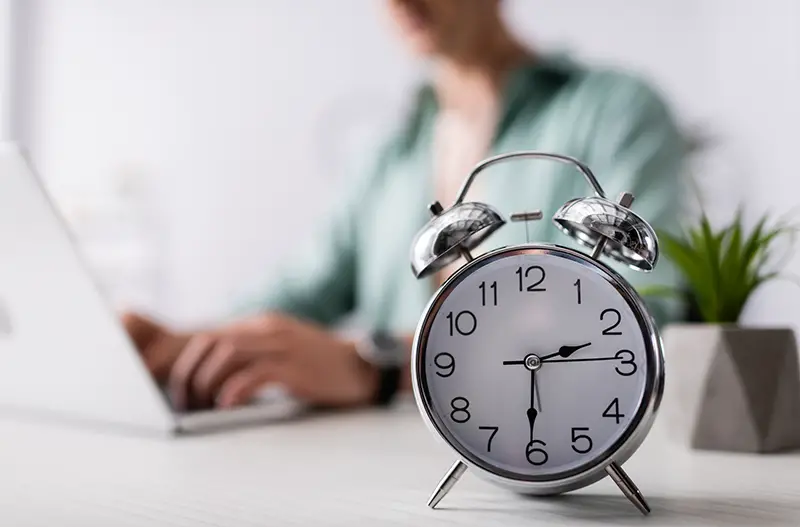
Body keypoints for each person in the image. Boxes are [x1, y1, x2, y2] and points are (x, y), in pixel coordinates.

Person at [123, 0, 687, 414]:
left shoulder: (615, 112)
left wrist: (378, 365)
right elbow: (300, 292)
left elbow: (634, 319)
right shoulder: (386, 157)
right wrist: (187, 344)